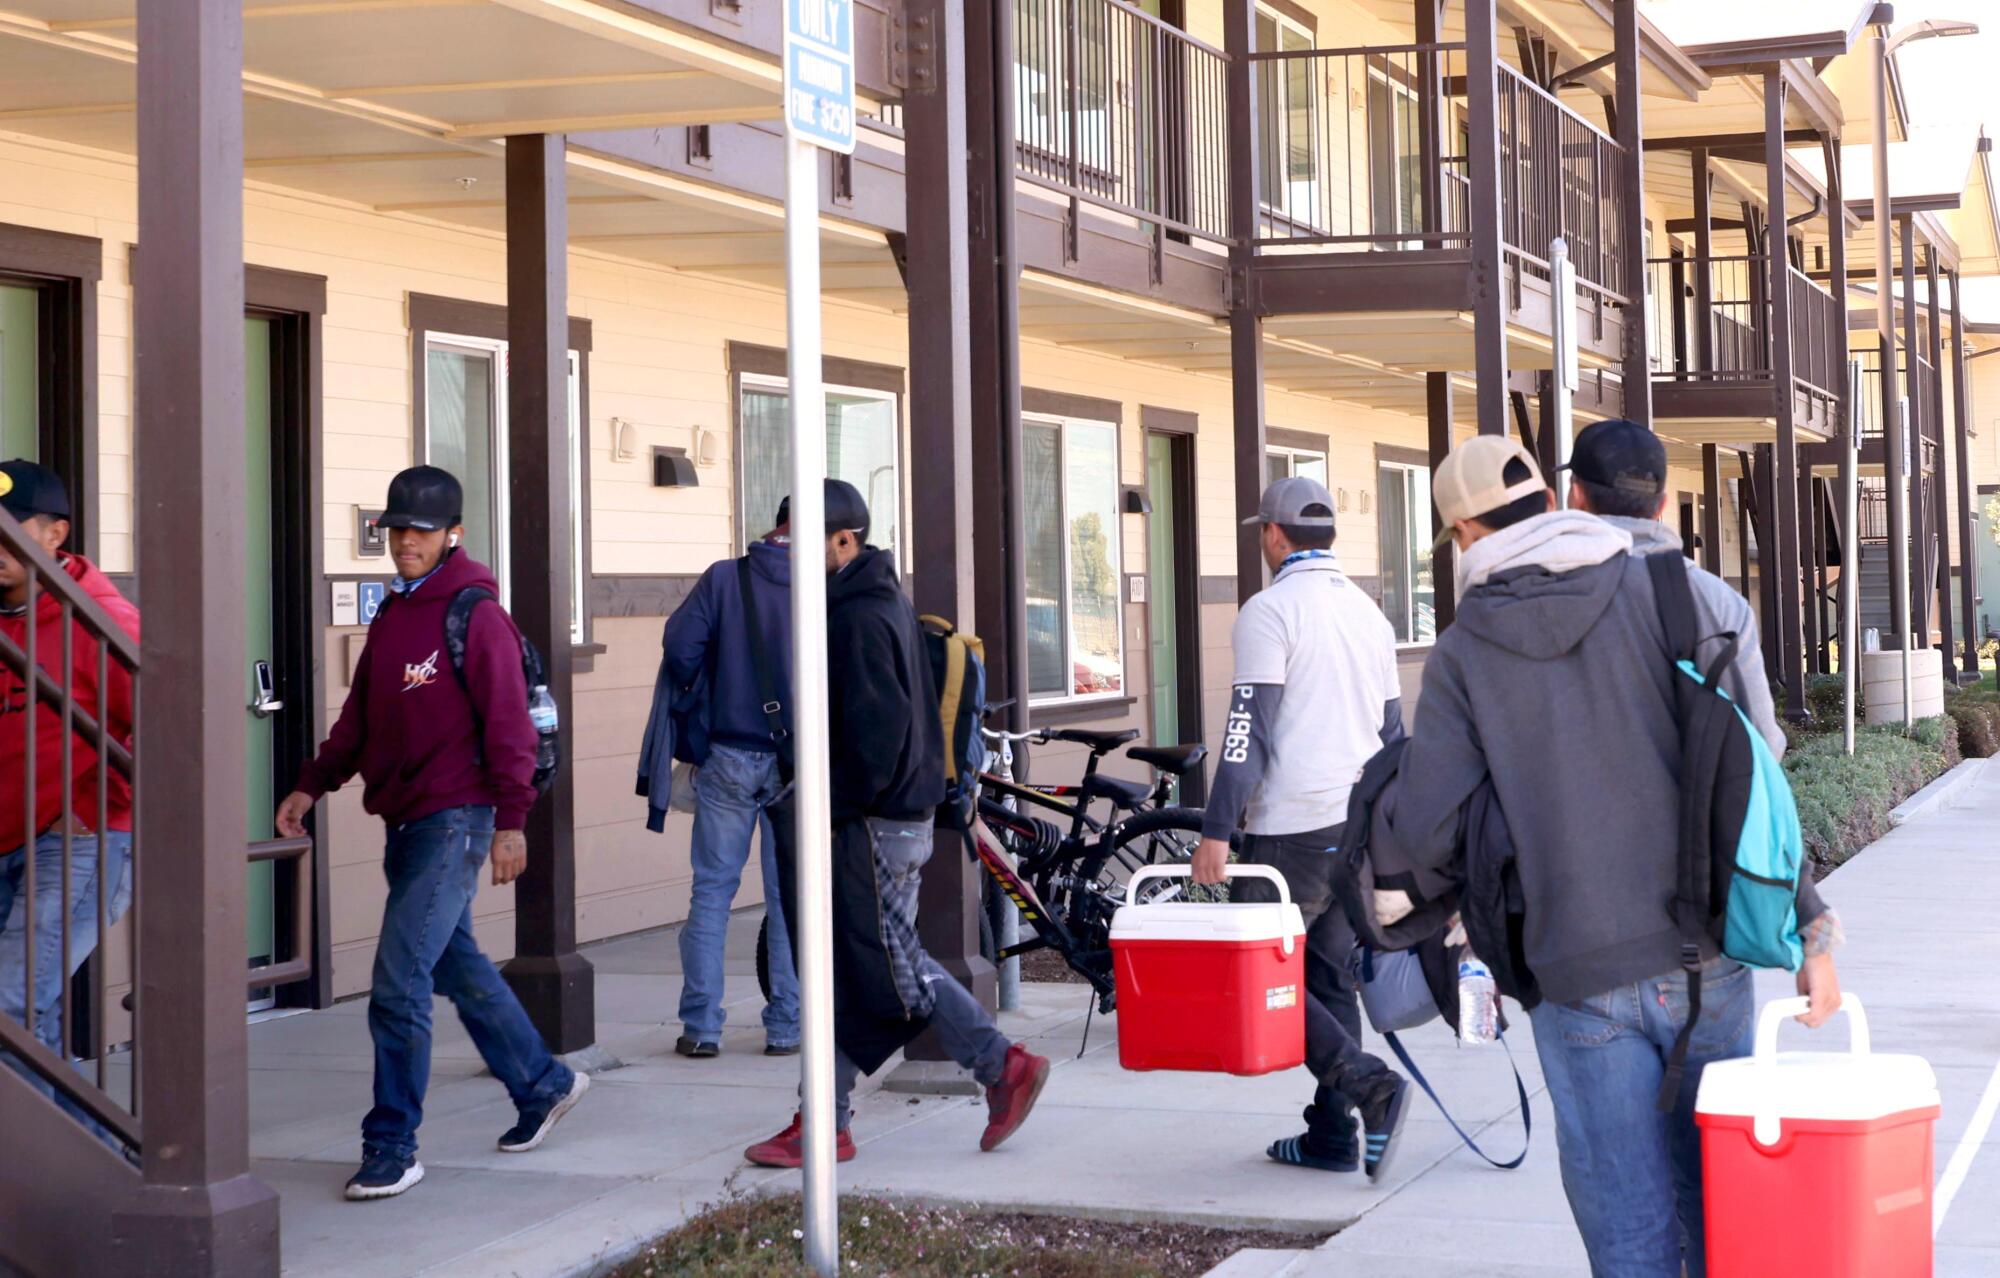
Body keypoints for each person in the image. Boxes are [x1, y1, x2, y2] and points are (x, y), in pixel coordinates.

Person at [1388, 435, 1844, 1277]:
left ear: (1464, 535)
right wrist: (1809, 927)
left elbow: (1424, 824)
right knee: (1723, 1209)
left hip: (1575, 971)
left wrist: (1391, 883)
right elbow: (1751, 786)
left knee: (1627, 1232)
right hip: (1710, 962)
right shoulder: (1685, 598)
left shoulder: (1464, 647)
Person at [276, 465, 588, 1202]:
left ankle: (392, 1145)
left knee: (397, 982)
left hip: (458, 819)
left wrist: (512, 822)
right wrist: (310, 782)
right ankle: (543, 1083)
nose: (405, 542)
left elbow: (511, 726)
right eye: (396, 530)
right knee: (456, 966)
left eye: (419, 531)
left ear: (453, 534)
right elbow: (358, 720)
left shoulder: (475, 613)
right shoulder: (394, 614)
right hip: (407, 821)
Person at [745, 479, 1050, 1167]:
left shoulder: (859, 614)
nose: (787, 552)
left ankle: (1000, 1067)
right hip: (889, 819)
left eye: (800, 540)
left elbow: (876, 739)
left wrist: (832, 810)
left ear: (844, 540)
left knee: (887, 974)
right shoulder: (868, 601)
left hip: (876, 823)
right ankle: (827, 1120)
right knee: (861, 970)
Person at [1190, 475, 1412, 1181]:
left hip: (1294, 828)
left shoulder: (1269, 611)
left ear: (1276, 536)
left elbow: (1244, 733)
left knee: (1257, 975)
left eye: (1263, 530)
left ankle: (1373, 1091)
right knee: (1327, 979)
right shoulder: (1369, 615)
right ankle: (1330, 1135)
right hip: (1360, 828)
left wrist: (1217, 828)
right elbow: (1393, 733)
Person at [0, 460, 138, 1135]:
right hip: (8, 833)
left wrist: (97, 800)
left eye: (9, 534)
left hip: (80, 837)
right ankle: (91, 1177)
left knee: (13, 1004)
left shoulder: (99, 620)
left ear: (55, 535)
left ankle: (34, 1191)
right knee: (35, 1018)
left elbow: (169, 720)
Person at [659, 502, 801, 1059]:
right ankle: (787, 1027)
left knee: (712, 891)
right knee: (788, 898)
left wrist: (710, 690)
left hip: (728, 755)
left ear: (774, 524)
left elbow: (679, 647)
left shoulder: (726, 578)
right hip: (799, 764)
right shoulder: (825, 584)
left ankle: (701, 1027)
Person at [1557, 418, 1783, 755]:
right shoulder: (1716, 602)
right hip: (1684, 804)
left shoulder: (1530, 588)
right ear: (1662, 505)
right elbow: (1761, 742)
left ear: (1576, 494)